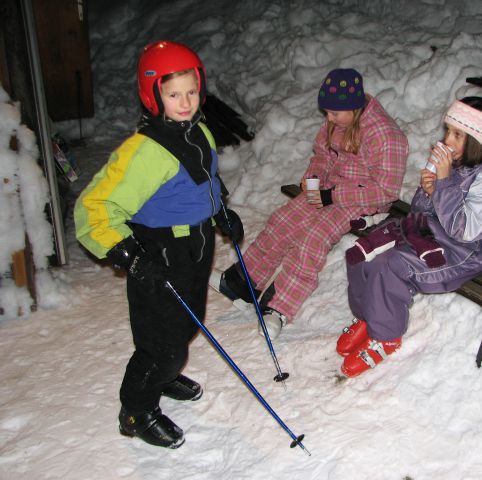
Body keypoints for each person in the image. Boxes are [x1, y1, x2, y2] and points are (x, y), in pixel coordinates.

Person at [74, 40, 243, 448]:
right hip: (159, 252)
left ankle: (164, 373)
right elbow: (92, 208)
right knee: (161, 342)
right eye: (173, 94)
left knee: (186, 324)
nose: (185, 102)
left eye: (191, 91)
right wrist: (129, 254)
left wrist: (220, 211)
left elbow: (205, 177)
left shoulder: (198, 129)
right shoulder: (145, 151)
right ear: (153, 95)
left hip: (195, 245)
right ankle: (137, 409)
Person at [211, 68, 409, 339]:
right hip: (329, 191)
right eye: (326, 112)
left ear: (354, 107)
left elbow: (385, 190)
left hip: (360, 201)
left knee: (312, 239)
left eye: (334, 113)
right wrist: (313, 180)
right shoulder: (337, 121)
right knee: (283, 221)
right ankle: (243, 283)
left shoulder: (386, 135)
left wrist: (333, 195)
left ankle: (279, 307)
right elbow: (322, 155)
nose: (328, 118)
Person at [337, 96, 482, 378]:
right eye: (448, 131)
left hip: (466, 251)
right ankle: (368, 317)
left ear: (477, 140)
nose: (447, 139)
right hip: (432, 230)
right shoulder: (454, 160)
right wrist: (430, 189)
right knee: (363, 252)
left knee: (391, 265)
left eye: (457, 134)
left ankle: (386, 336)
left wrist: (443, 183)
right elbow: (421, 210)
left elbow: (464, 231)